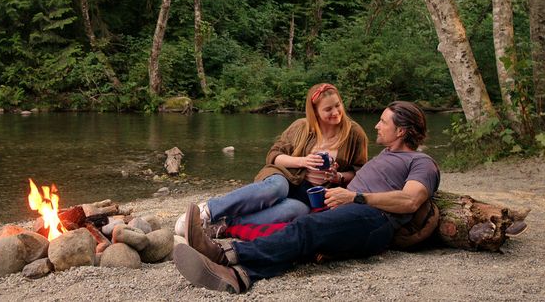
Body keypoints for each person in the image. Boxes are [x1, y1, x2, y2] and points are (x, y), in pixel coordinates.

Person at [173, 101, 440, 294]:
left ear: (402, 131)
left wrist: (357, 198)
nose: (377, 125)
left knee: (305, 228)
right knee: (300, 238)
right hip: (349, 214)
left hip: (375, 220)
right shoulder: (386, 156)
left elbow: (410, 200)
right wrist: (336, 181)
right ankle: (239, 276)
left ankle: (225, 255)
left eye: (383, 121)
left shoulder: (421, 162)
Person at [176, 83, 368, 236]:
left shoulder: (354, 134)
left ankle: (223, 224)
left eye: (338, 105)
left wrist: (338, 177)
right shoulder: (301, 127)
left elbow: (361, 172)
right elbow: (274, 156)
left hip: (311, 195)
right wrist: (303, 161)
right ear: (315, 112)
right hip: (285, 176)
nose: (335, 112)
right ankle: (208, 210)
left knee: (296, 211)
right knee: (277, 188)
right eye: (328, 109)